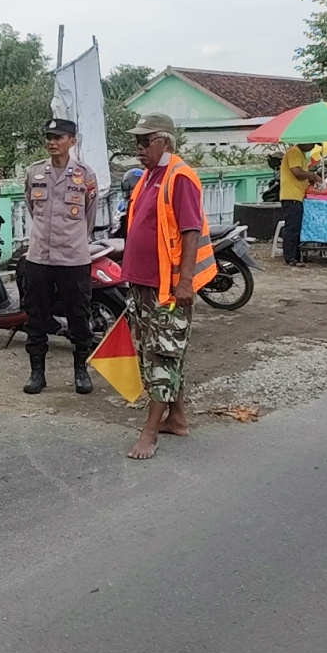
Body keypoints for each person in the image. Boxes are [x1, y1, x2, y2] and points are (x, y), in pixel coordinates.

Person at [119, 113, 218, 460]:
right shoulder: (148, 177)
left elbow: (190, 230)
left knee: (162, 354)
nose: (139, 148)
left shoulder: (180, 177)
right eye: (138, 142)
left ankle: (149, 432)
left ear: (165, 141)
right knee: (159, 350)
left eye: (145, 141)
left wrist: (186, 282)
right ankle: (176, 418)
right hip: (143, 283)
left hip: (168, 287)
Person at [22, 118, 99, 395]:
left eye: (59, 137)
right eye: (49, 137)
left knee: (79, 315)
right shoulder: (34, 173)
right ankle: (37, 373)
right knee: (35, 316)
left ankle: (81, 370)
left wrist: (72, 238)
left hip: (74, 258)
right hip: (40, 257)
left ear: (72, 141)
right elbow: (33, 208)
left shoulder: (85, 175)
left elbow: (89, 216)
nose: (52, 142)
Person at [279, 141, 321, 267]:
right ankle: (290, 257)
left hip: (298, 196)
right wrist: (313, 176)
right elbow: (296, 172)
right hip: (292, 196)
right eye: (312, 144)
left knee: (297, 227)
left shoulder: (301, 154)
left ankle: (297, 255)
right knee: (292, 227)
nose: (313, 147)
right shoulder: (294, 152)